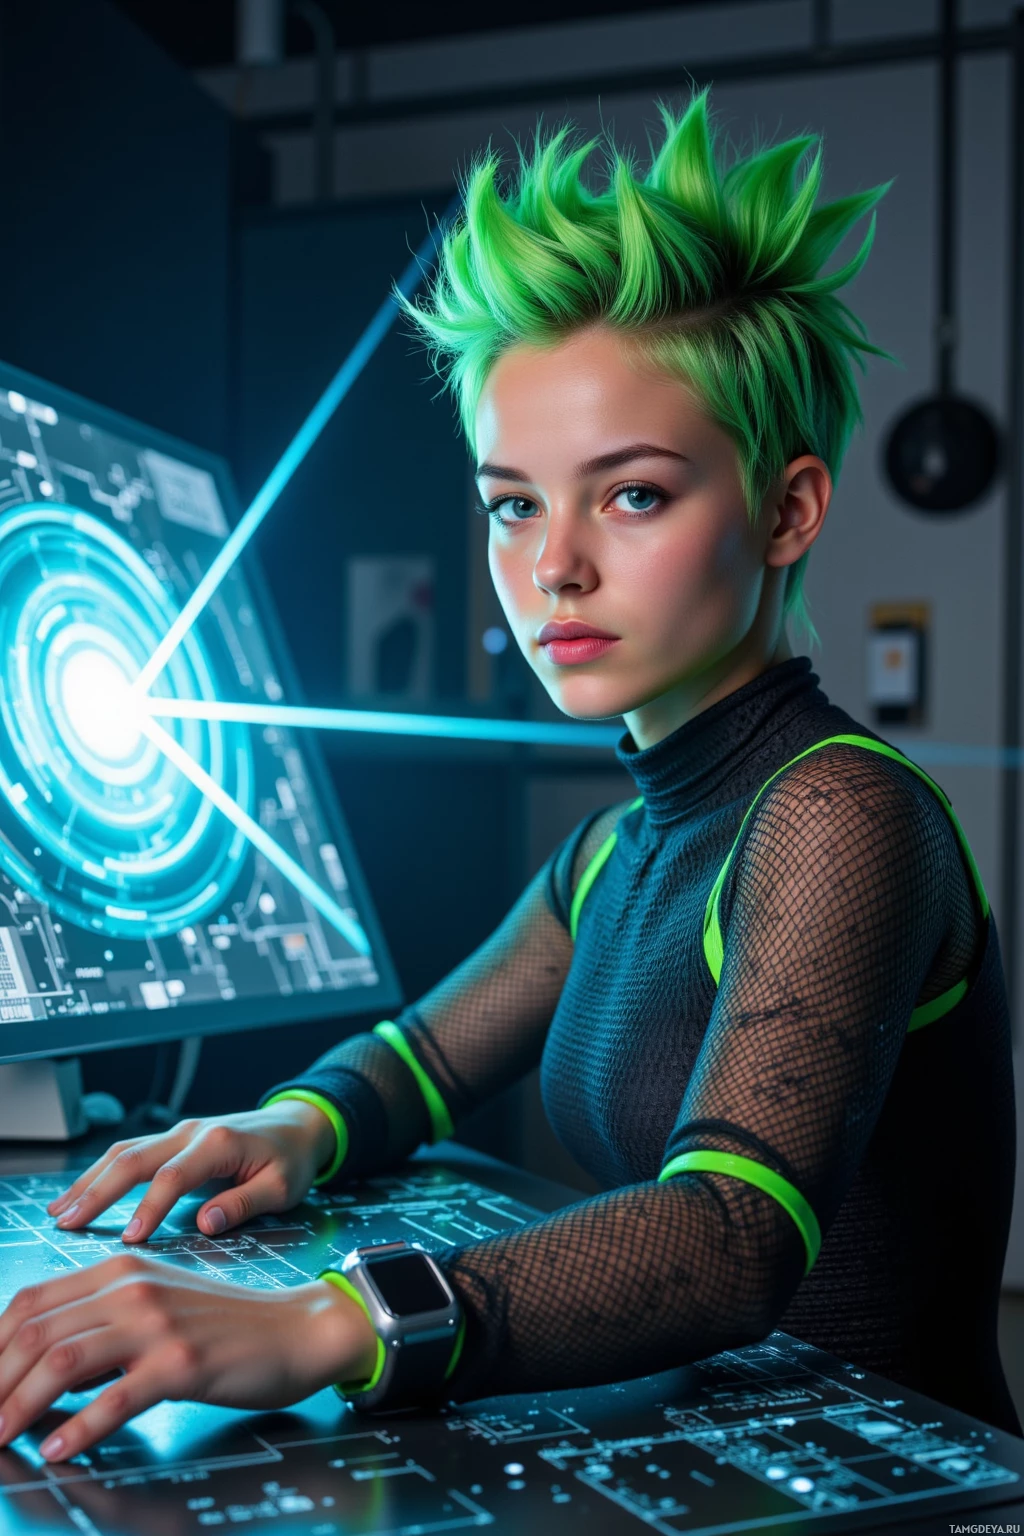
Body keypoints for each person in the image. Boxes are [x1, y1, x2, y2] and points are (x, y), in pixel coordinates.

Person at [0, 89, 1017, 1460]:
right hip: (700, 1453)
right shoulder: (614, 856)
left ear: (788, 510)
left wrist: (323, 1324)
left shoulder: (842, 813)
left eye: (634, 492)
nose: (555, 566)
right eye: (514, 502)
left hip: (882, 1482)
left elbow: (730, 1241)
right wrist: (288, 1125)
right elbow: (416, 1066)